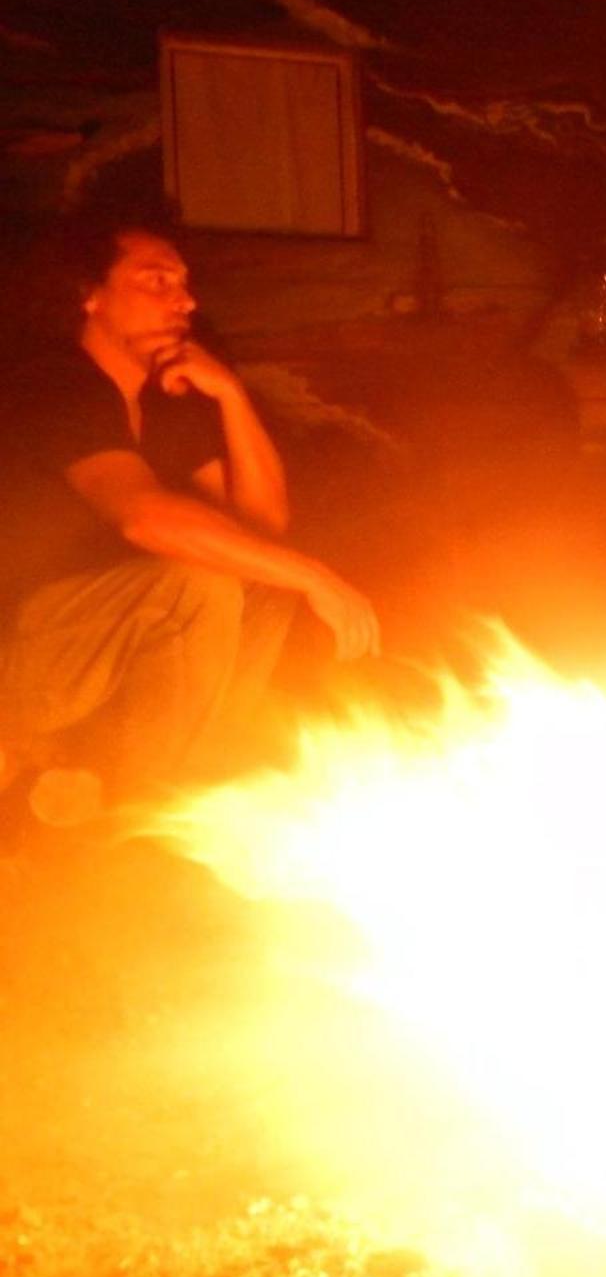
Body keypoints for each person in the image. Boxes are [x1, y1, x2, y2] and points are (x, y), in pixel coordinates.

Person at [0, 218, 378, 823]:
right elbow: (143, 518)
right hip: (20, 649)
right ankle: (149, 814)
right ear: (88, 295)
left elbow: (261, 525)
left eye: (185, 282)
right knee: (194, 586)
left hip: (96, 649)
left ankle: (184, 777)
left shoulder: (162, 400)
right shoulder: (55, 386)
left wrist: (230, 394)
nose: (186, 299)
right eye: (157, 281)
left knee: (259, 582)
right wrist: (318, 576)